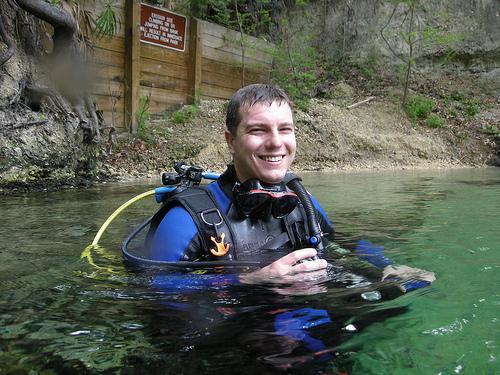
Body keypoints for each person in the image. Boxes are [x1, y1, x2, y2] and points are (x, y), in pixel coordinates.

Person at [149, 83, 435, 287]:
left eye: (285, 129)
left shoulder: (300, 198)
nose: (276, 142)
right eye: (258, 130)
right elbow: (151, 287)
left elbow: (338, 240)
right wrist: (248, 280)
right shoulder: (188, 219)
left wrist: (386, 263)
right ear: (230, 141)